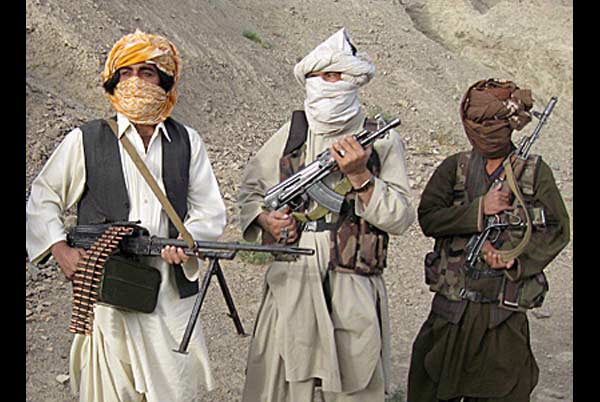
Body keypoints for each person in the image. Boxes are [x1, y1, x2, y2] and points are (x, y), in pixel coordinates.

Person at [25, 30, 227, 402]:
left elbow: (209, 210)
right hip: (109, 294)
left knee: (174, 388)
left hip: (168, 294)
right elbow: (43, 197)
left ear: (163, 81)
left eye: (146, 72)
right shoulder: (86, 139)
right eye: (126, 73)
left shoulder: (187, 141)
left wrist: (187, 241)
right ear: (114, 82)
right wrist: (59, 249)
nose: (135, 81)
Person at [237, 27, 415, 402]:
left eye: (335, 75)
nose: (326, 84)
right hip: (294, 274)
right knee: (281, 379)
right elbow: (250, 193)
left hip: (352, 277)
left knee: (355, 380)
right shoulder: (293, 133)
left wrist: (361, 177)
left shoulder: (380, 139)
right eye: (319, 76)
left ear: (353, 80)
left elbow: (400, 217)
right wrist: (266, 220)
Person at [406, 79, 570, 402]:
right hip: (451, 312)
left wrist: (516, 259)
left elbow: (557, 228)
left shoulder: (533, 173)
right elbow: (429, 218)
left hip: (501, 315)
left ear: (510, 125)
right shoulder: (455, 169)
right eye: (480, 123)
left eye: (494, 123)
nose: (487, 131)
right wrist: (479, 209)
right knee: (430, 386)